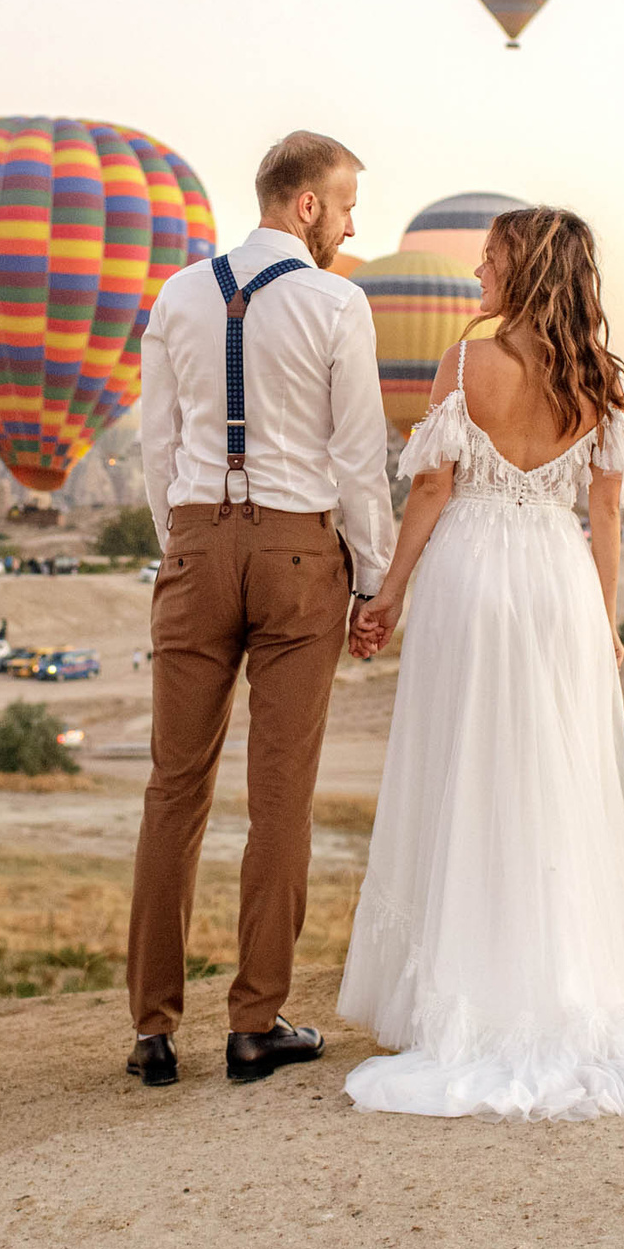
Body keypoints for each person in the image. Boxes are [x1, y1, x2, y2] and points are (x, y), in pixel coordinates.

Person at [340, 206, 624, 1123]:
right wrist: (606, 623)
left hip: (473, 575)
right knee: (556, 783)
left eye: (491, 258)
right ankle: (558, 978)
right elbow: (605, 519)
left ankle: (468, 990)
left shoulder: (467, 360)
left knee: (466, 770)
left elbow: (432, 487)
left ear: (526, 268)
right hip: (560, 586)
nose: (478, 270)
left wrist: (388, 593)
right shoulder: (598, 381)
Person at [125, 130, 396, 1089]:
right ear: (307, 206)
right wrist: (372, 577)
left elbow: (157, 443)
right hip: (296, 551)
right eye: (349, 200)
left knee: (173, 789)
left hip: (198, 541)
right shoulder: (337, 300)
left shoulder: (176, 293)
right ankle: (255, 1023)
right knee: (280, 797)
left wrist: (184, 538)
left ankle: (154, 1030)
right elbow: (360, 456)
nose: (357, 220)